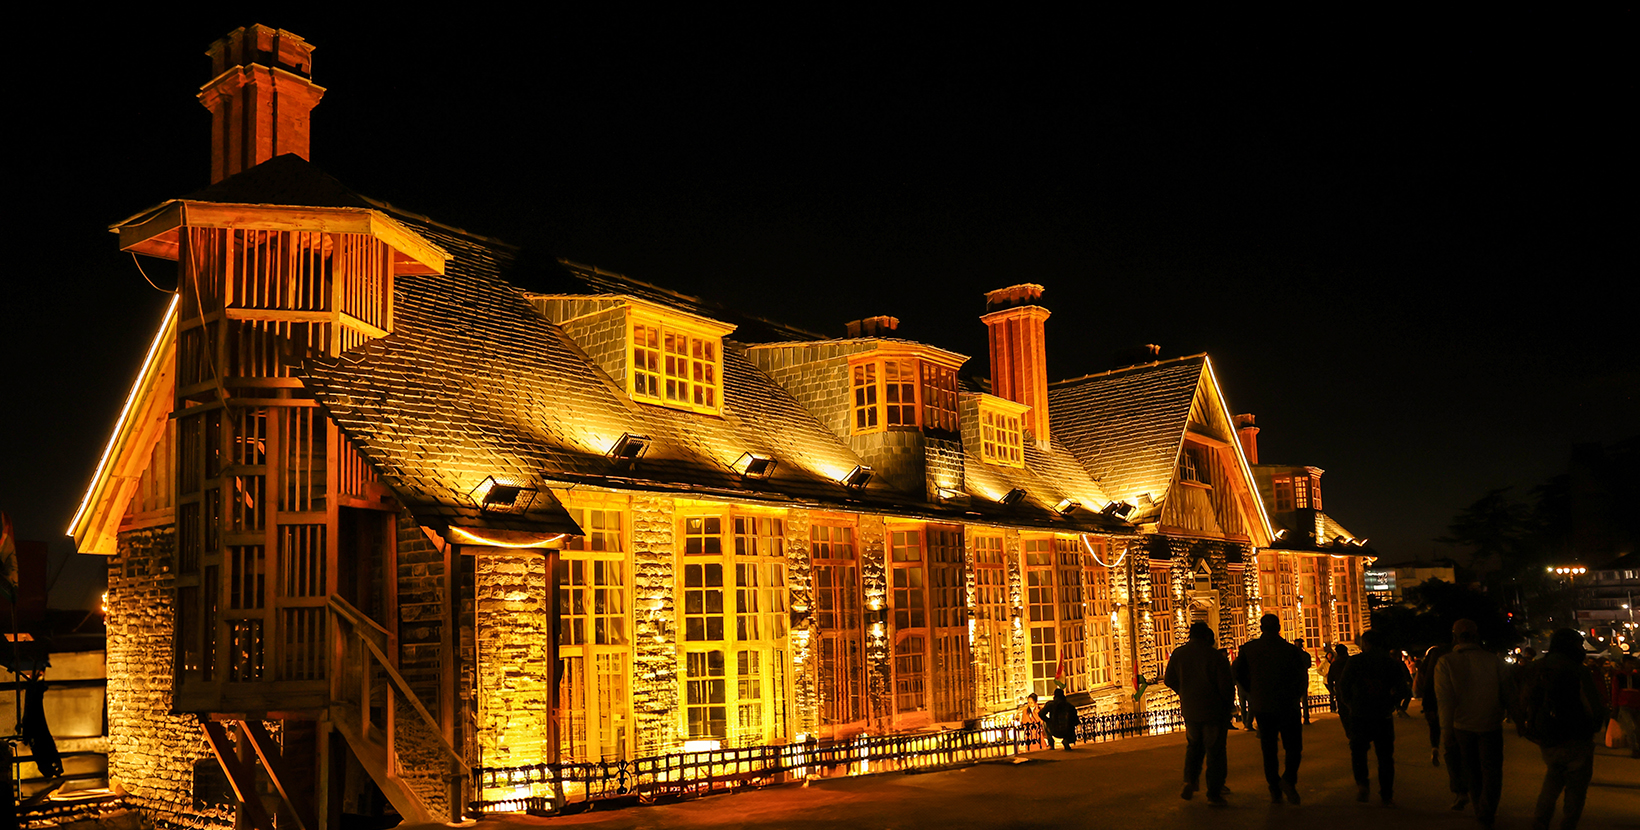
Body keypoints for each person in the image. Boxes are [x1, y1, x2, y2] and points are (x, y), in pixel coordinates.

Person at [1520, 628, 1608, 830]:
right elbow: (1593, 705)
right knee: (1576, 789)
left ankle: (1539, 822)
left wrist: (1528, 726)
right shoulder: (1578, 669)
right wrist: (1595, 726)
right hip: (1577, 735)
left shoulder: (1537, 667)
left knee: (1552, 778)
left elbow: (1524, 699)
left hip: (1546, 736)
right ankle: (1567, 825)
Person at [1436, 618, 1516, 827]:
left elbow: (1445, 700)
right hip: (1490, 722)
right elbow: (1508, 692)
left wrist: (1446, 731)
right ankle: (1487, 809)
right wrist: (1516, 717)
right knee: (1491, 769)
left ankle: (1479, 805)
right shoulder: (1493, 661)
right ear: (1477, 636)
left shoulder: (1446, 662)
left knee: (1471, 769)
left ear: (1455, 637)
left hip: (1462, 724)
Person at [1233, 613, 1308, 805]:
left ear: (1261, 628)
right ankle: (1288, 779)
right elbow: (1302, 674)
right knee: (1293, 748)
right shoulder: (1290, 650)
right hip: (1288, 705)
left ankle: (1274, 788)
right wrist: (1296, 694)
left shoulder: (1250, 649)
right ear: (1279, 628)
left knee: (1269, 749)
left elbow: (1237, 673)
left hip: (1263, 705)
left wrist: (1251, 691)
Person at [1165, 622, 1235, 805]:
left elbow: (1169, 679)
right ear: (1206, 636)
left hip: (1190, 710)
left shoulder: (1179, 654)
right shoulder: (1215, 656)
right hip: (1213, 711)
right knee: (1215, 752)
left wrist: (1184, 692)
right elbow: (1226, 686)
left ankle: (1189, 780)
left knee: (1194, 747)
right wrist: (1228, 708)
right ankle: (1214, 792)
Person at [1340, 630, 1408, 805]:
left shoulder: (1355, 662)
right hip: (1382, 714)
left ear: (1366, 644)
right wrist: (1392, 702)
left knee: (1358, 752)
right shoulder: (1390, 663)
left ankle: (1362, 784)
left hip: (1360, 713)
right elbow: (1402, 687)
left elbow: (1343, 686)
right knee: (1385, 756)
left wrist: (1350, 704)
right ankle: (1386, 793)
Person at [1326, 644, 1351, 737]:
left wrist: (1332, 691)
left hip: (1341, 691)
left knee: (1344, 713)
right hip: (1353, 690)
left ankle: (1349, 732)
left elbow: (1330, 679)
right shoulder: (1351, 661)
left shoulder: (1335, 664)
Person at [1295, 637, 1314, 724]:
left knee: (1297, 699)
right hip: (1303, 677)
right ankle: (1306, 717)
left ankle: (1300, 717)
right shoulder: (1305, 655)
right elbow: (1308, 665)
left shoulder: (1292, 655)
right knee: (1304, 699)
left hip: (1296, 678)